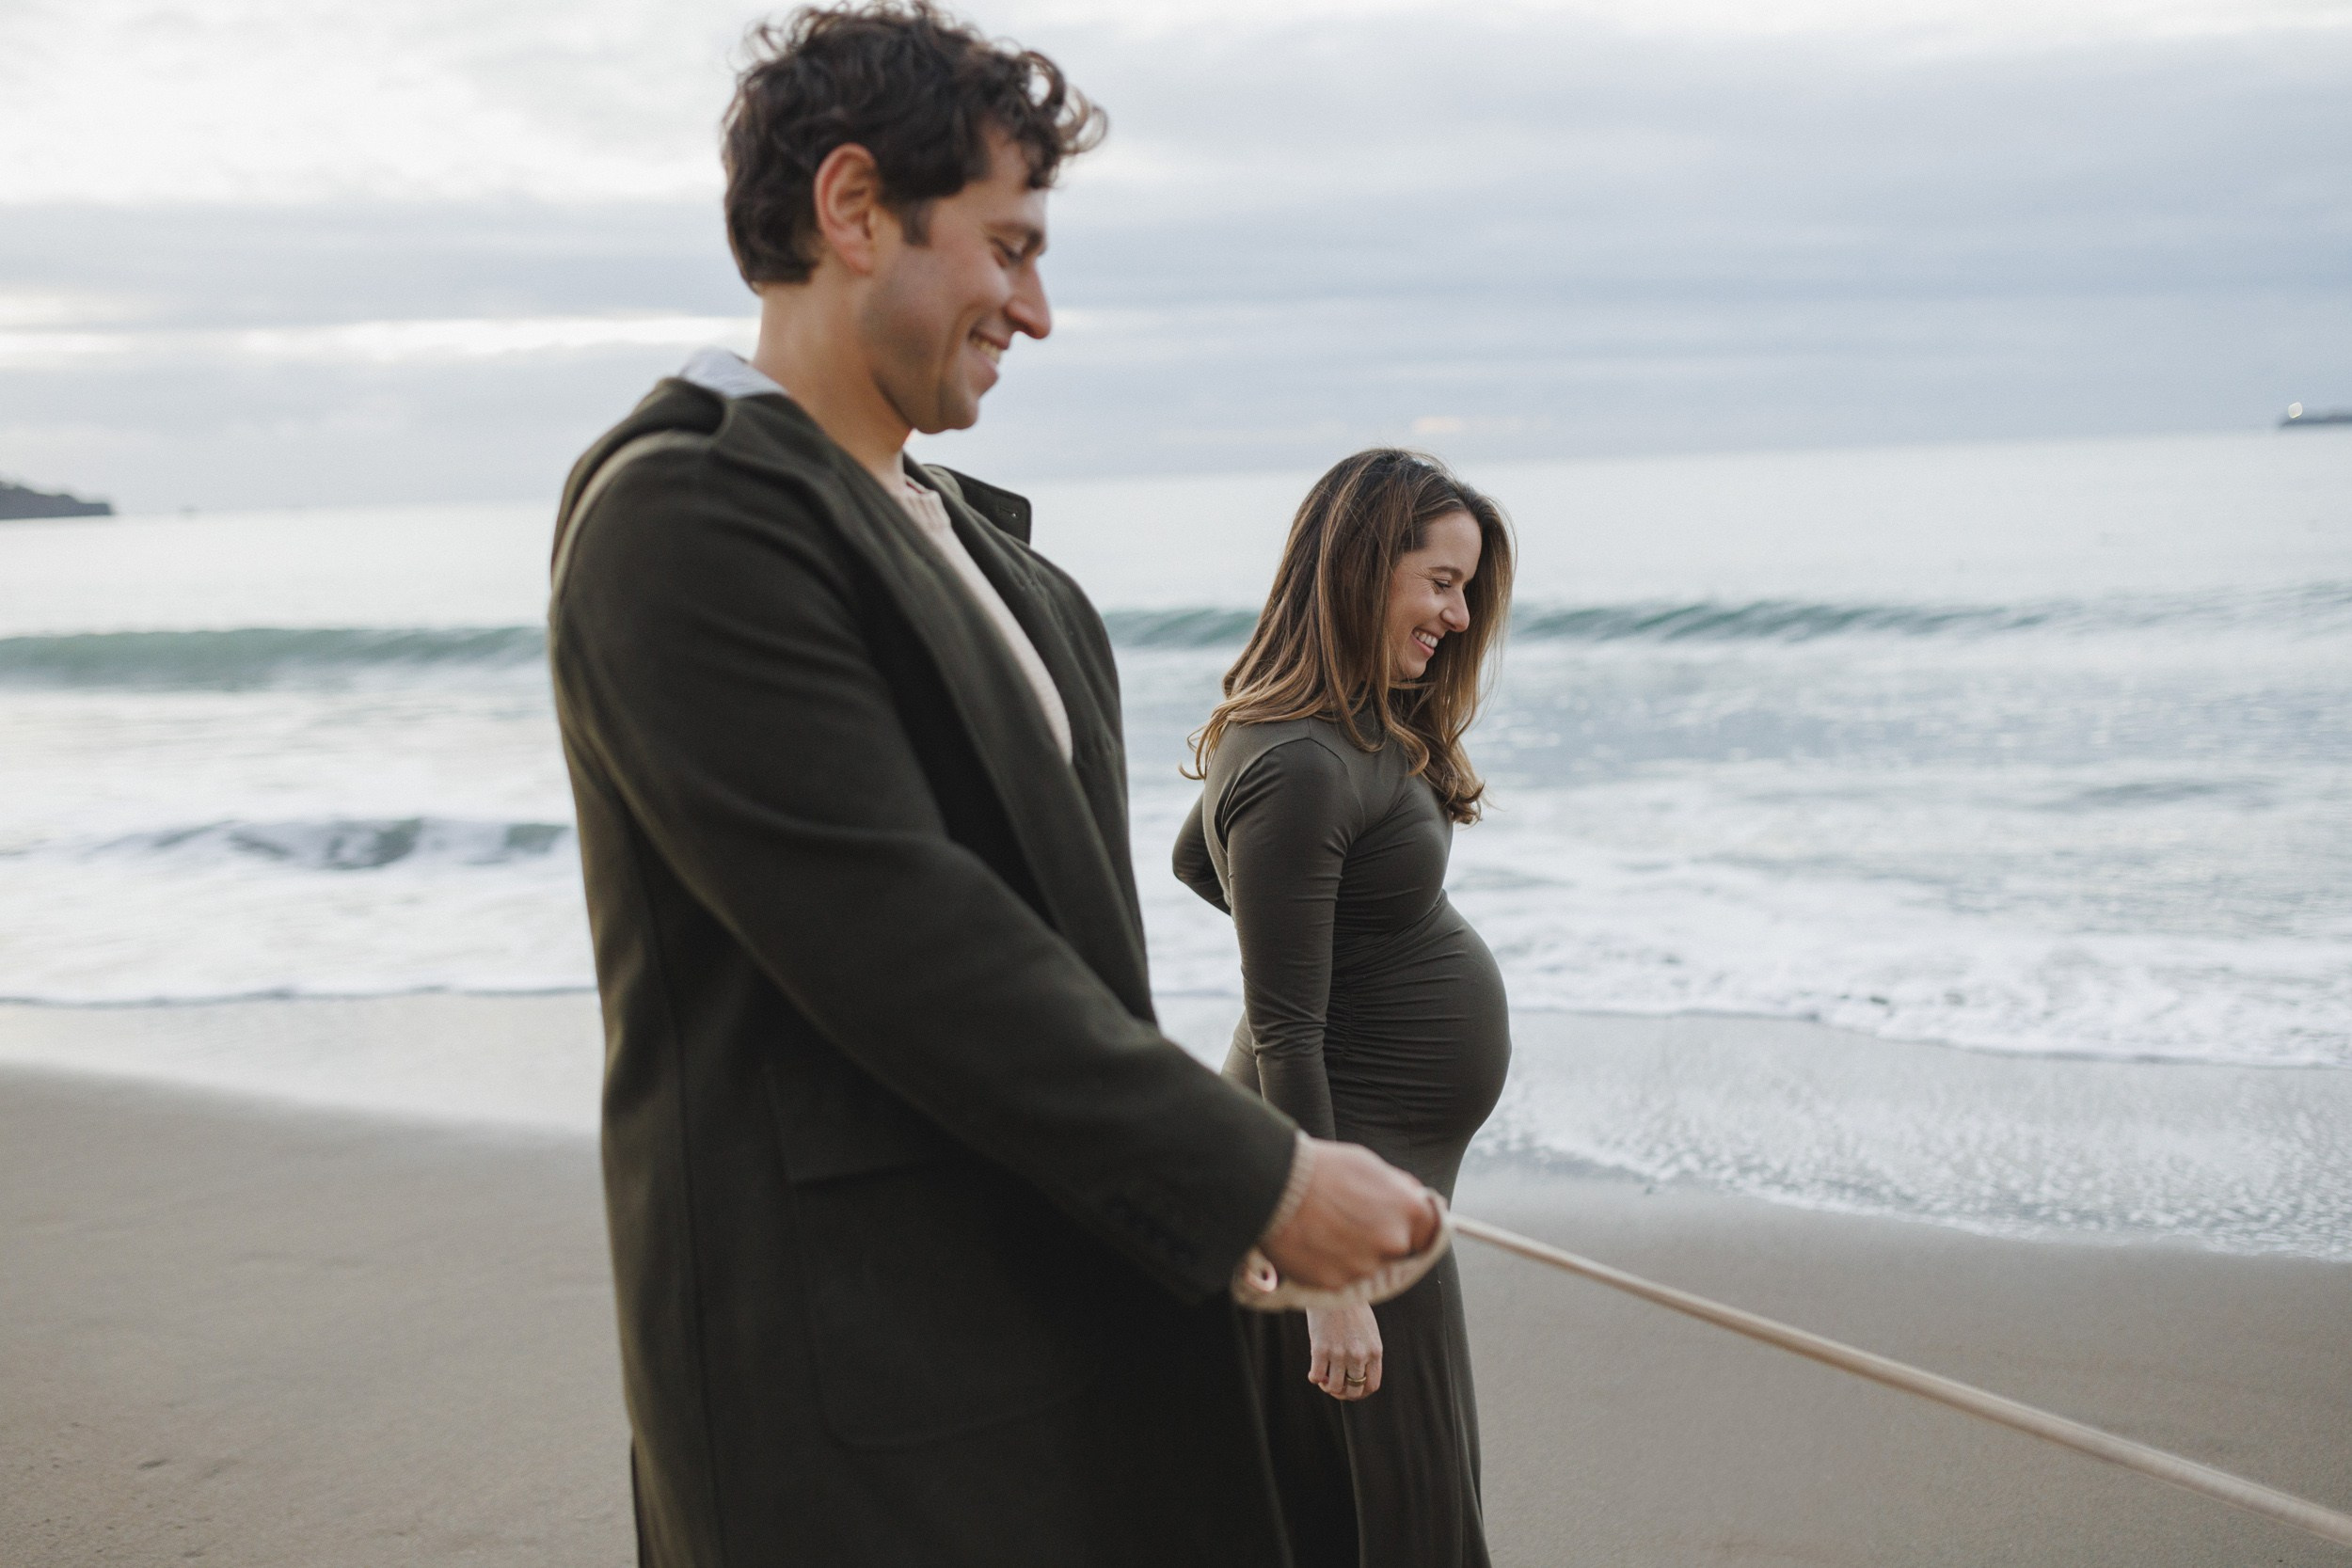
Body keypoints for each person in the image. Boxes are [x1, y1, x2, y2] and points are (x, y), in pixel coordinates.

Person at [546, 7, 1441, 1565]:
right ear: (849, 209)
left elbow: (1069, 961)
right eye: (1006, 247)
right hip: (858, 1380)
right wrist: (1260, 1176)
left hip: (1049, 1299)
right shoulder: (683, 515)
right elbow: (900, 935)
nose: (1035, 307)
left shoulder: (995, 556)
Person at [1174, 450, 1517, 1568]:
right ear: (1365, 571)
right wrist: (1329, 1277)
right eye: (1440, 581)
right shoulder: (1304, 762)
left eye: (1467, 588)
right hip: (1342, 1196)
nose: (1458, 616)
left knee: (1380, 1515)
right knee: (1404, 1527)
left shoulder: (1332, 732)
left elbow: (1197, 856)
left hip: (1371, 1173)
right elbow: (1284, 1027)